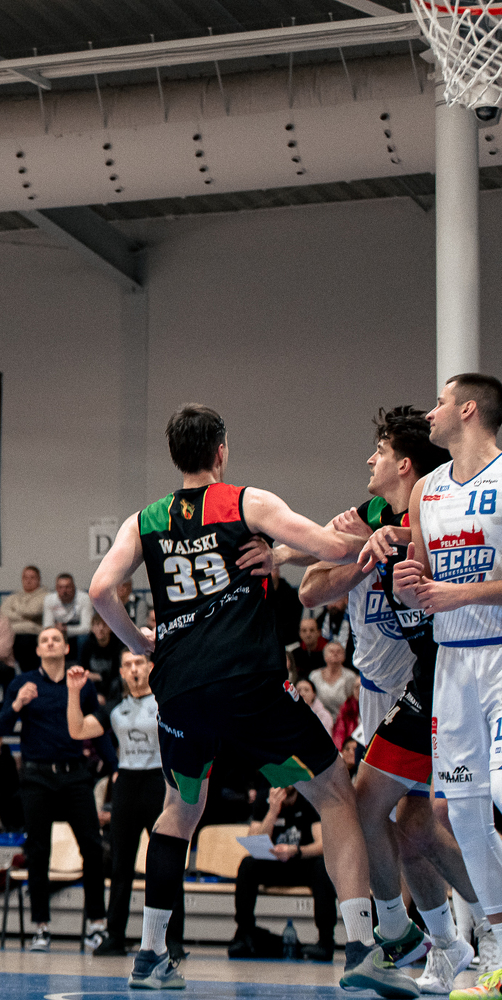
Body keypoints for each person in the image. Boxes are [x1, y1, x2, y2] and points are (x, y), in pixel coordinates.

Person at [88, 403, 407, 993]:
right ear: (221, 451)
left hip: (180, 690)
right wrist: (376, 535)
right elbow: (334, 548)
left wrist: (139, 642)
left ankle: (151, 956)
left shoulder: (143, 521)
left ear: (176, 457)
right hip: (250, 683)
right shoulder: (246, 502)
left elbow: (101, 589)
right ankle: (363, 946)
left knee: (179, 811)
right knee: (335, 792)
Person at [382, 374, 502, 999]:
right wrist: (407, 583)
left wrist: (458, 594)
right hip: (451, 665)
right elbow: (423, 580)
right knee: (463, 813)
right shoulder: (427, 490)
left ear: (469, 409)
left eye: (440, 402)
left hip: (500, 655)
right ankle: (499, 952)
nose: (430, 412)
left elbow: (461, 589)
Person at [0, 625, 108, 952]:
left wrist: (113, 767)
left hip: (75, 774)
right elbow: (2, 727)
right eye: (44, 640)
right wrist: (18, 703)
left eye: (55, 639)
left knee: (92, 847)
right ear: (38, 650)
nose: (49, 643)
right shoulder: (22, 683)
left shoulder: (80, 683)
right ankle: (41, 928)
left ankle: (97, 924)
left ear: (66, 647)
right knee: (38, 851)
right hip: (37, 776)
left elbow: (96, 728)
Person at [65, 654, 182, 959]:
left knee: (166, 862)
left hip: (160, 781)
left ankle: (172, 939)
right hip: (127, 783)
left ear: (151, 667)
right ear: (121, 671)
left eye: (139, 663)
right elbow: (77, 730)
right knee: (120, 865)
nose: (133, 669)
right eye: (128, 664)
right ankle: (115, 936)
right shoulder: (115, 708)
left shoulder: (167, 701)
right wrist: (74, 693)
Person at [231, 785, 339, 960]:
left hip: (301, 861)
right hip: (273, 863)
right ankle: (244, 934)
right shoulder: (264, 798)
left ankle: (326, 941)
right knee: (247, 865)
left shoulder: (309, 797)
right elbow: (254, 840)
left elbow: (322, 845)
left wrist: (295, 850)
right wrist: (273, 811)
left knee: (322, 867)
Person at [2, 566, 46, 672]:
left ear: (39, 579)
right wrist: (26, 619)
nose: (28, 581)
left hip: (33, 635)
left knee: (24, 641)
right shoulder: (14, 597)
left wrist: (15, 610)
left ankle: (30, 676)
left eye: (32, 577)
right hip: (12, 634)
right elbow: (3, 614)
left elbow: (33, 612)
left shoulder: (45, 596)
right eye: (25, 578)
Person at [42, 573, 92, 654]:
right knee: (45, 639)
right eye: (60, 587)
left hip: (77, 630)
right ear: (56, 588)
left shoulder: (84, 598)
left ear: (73, 587)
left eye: (67, 587)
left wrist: (66, 630)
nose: (64, 591)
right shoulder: (49, 599)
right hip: (57, 629)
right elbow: (47, 626)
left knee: (84, 639)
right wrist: (57, 630)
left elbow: (87, 628)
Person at [310, 642, 359, 719]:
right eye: (331, 651)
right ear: (325, 656)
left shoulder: (350, 676)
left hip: (343, 719)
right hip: (318, 719)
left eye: (339, 651)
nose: (335, 654)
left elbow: (352, 702)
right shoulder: (314, 676)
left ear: (344, 656)